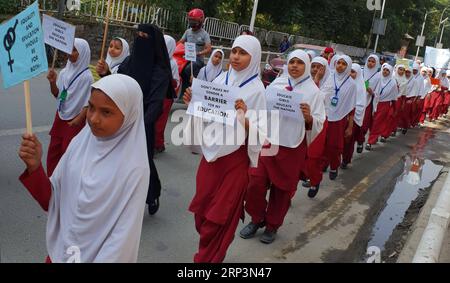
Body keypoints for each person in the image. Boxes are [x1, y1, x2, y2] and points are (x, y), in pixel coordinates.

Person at [18, 74, 150, 263]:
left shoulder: (134, 169)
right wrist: (35, 167)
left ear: (129, 114)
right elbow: (53, 201)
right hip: (61, 254)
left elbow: (121, 240)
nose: (94, 119)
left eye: (106, 112)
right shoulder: (80, 144)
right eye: (91, 108)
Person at [183, 35, 266, 263]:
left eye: (243, 52)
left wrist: (245, 118)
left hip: (235, 160)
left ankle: (207, 260)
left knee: (218, 217)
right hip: (211, 157)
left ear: (254, 57)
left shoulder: (257, 90)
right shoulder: (220, 80)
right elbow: (205, 112)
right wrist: (192, 103)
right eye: (235, 51)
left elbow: (262, 131)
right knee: (202, 213)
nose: (236, 56)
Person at [240, 50, 325, 244]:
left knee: (282, 190)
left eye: (300, 63)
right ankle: (257, 218)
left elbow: (319, 121)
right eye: (292, 62)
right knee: (255, 183)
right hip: (269, 141)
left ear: (306, 66)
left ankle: (272, 225)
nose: (295, 66)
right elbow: (261, 109)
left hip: (292, 147)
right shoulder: (276, 84)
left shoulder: (314, 92)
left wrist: (309, 118)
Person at [116, 24, 176, 215]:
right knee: (119, 161)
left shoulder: (160, 71)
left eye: (145, 36)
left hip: (143, 124)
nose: (140, 38)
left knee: (142, 162)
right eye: (138, 35)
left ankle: (152, 193)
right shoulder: (129, 62)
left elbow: (156, 104)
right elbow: (117, 84)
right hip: (122, 121)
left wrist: (140, 124)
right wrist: (104, 74)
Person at [46, 38, 93, 177]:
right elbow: (57, 94)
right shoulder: (64, 73)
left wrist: (78, 119)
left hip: (75, 120)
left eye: (74, 50)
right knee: (54, 150)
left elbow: (87, 103)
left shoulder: (87, 77)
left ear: (83, 53)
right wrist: (52, 82)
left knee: (68, 153)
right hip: (61, 115)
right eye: (69, 49)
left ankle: (66, 182)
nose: (69, 53)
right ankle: (52, 180)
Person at [321, 55, 357, 180]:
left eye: (343, 64)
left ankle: (334, 165)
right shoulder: (329, 78)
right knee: (323, 143)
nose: (340, 66)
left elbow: (352, 107)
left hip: (339, 119)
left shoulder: (352, 84)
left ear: (348, 66)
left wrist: (350, 126)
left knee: (334, 145)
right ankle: (323, 164)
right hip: (325, 115)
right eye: (338, 63)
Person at [301, 56, 329, 198]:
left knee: (313, 155)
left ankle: (315, 180)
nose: (316, 70)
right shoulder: (302, 83)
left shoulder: (329, 85)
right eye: (314, 66)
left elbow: (321, 101)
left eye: (320, 67)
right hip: (303, 122)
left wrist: (316, 81)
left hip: (319, 123)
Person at [154, 35, 182, 154]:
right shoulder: (155, 59)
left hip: (166, 96)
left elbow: (175, 81)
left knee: (160, 121)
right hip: (155, 94)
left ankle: (157, 143)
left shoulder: (172, 63)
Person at [366, 63, 398, 150]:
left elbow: (394, 97)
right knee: (371, 122)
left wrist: (395, 109)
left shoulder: (393, 83)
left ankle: (370, 141)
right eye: (384, 70)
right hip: (373, 101)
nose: (385, 72)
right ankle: (374, 137)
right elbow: (368, 85)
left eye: (388, 70)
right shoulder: (378, 78)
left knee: (377, 122)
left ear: (391, 72)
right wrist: (370, 91)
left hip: (384, 104)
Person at [342, 63, 367, 167]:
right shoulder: (343, 83)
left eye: (353, 72)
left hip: (353, 118)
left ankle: (346, 160)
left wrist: (350, 112)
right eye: (349, 71)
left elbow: (361, 105)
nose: (350, 74)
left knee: (349, 141)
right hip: (342, 116)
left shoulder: (361, 87)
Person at [357, 55, 381, 152]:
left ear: (376, 63)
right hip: (357, 100)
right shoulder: (361, 71)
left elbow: (378, 92)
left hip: (368, 101)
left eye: (373, 62)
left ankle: (360, 141)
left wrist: (372, 93)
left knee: (363, 124)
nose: (370, 63)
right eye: (369, 61)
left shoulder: (378, 76)